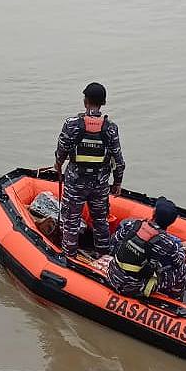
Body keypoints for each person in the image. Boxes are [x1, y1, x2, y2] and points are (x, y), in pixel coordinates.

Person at [54, 82, 126, 256]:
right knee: (100, 221)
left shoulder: (72, 124)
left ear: (85, 101)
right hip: (100, 185)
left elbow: (62, 149)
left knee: (71, 222)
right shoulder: (111, 128)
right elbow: (118, 160)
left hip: (75, 183)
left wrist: (58, 163)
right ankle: (103, 256)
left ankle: (69, 257)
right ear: (104, 102)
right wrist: (117, 182)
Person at [107, 198, 186, 300]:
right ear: (171, 222)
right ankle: (175, 302)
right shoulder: (168, 243)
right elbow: (178, 262)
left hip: (112, 275)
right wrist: (184, 248)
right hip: (134, 288)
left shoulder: (133, 225)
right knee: (183, 270)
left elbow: (114, 240)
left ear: (154, 212)